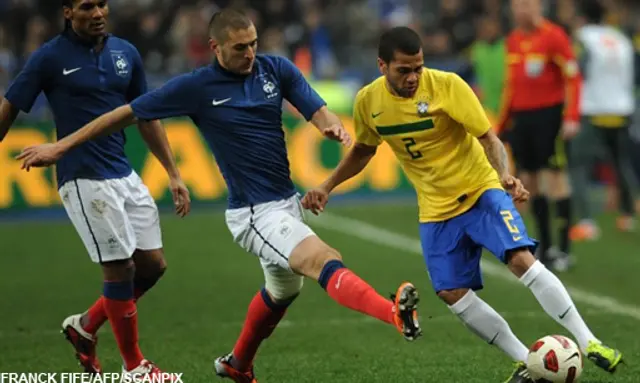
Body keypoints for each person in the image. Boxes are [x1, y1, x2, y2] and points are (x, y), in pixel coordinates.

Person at [16, 8, 422, 383]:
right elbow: (125, 114)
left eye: (254, 44)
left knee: (283, 291)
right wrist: (62, 146)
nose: (250, 54)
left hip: (286, 204)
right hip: (252, 214)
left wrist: (329, 125)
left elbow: (316, 108)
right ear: (216, 47)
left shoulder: (274, 70)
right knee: (323, 259)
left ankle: (237, 364)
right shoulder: (197, 86)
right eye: (240, 47)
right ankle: (393, 313)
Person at [301, 26, 622, 383]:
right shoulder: (368, 102)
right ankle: (527, 363)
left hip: (481, 189)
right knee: (451, 292)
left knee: (520, 259)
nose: (413, 77)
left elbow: (489, 138)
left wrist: (504, 175)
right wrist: (327, 186)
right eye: (403, 70)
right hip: (436, 209)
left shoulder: (448, 86)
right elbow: (363, 149)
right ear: (382, 66)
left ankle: (589, 340)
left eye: (418, 68)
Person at [0, 0, 190, 377]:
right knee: (119, 270)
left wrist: (173, 172)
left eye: (103, 4)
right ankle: (135, 367)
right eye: (88, 6)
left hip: (123, 173)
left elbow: (144, 113)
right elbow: (10, 107)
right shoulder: (49, 58)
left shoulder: (126, 53)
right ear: (68, 11)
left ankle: (85, 325)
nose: (99, 12)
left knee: (152, 267)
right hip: (82, 176)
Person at [496, 0, 581, 271]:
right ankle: (545, 244)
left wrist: (571, 117)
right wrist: (502, 123)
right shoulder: (513, 41)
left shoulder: (553, 36)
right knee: (529, 182)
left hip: (549, 116)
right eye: (518, 6)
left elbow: (572, 77)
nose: (523, 10)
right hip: (522, 119)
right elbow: (512, 85)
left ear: (539, 8)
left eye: (528, 5)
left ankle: (564, 249)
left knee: (555, 179)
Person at [569, 0, 638, 240]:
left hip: (594, 108)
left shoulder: (584, 38)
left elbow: (579, 70)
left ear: (582, 18)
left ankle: (587, 222)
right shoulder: (620, 38)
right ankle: (627, 216)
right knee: (620, 163)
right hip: (621, 108)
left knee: (578, 164)